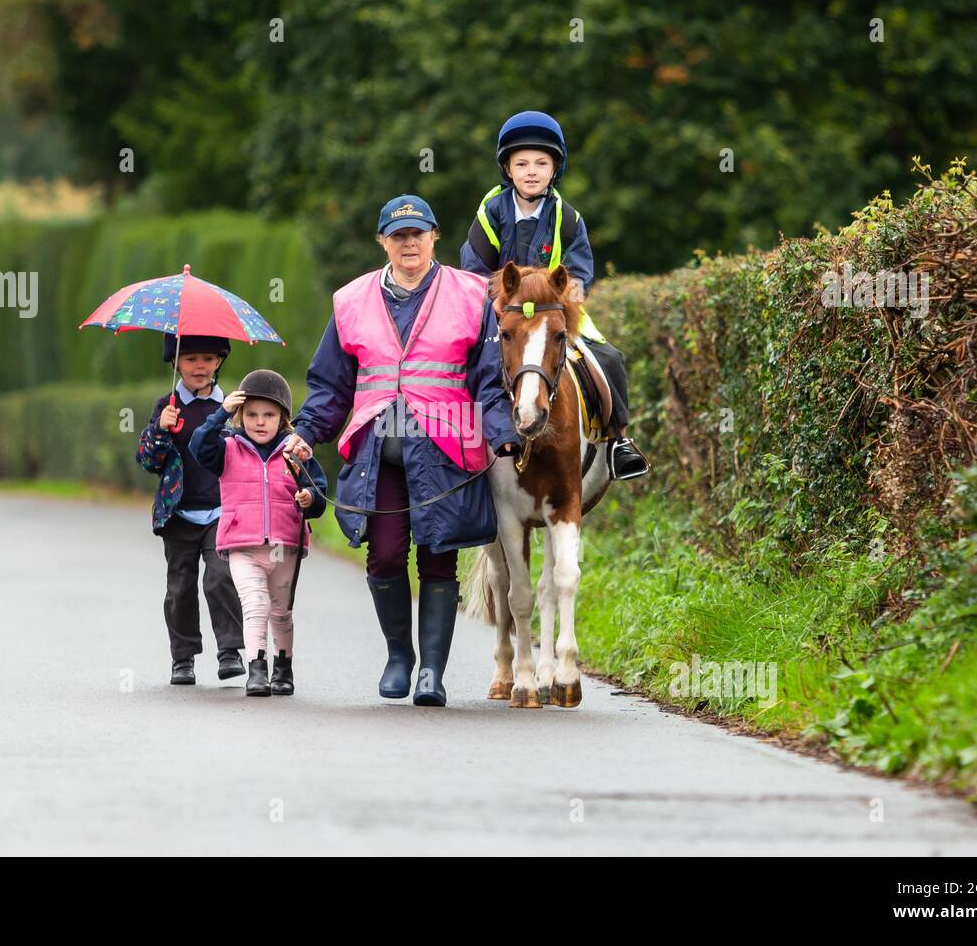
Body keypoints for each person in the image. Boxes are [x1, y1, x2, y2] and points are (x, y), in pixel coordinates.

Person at [281, 194, 523, 707]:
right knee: (386, 554)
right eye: (398, 236)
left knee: (439, 555)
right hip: (379, 454)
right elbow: (330, 384)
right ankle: (399, 657)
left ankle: (432, 673)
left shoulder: (470, 293)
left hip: (445, 451)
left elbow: (487, 379)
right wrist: (306, 430)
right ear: (383, 242)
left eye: (418, 234)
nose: (408, 243)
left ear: (434, 237)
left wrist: (502, 431)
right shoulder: (351, 300)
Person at [460, 110, 650, 480]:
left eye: (541, 163)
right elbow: (474, 270)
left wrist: (564, 299)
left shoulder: (568, 217)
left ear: (554, 168)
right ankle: (453, 447)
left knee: (609, 358)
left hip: (554, 311)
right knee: (462, 361)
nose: (532, 171)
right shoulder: (490, 213)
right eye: (522, 163)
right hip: (503, 312)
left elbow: (578, 273)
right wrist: (499, 304)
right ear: (508, 169)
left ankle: (617, 442)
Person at [190, 369, 327, 697]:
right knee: (255, 605)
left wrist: (310, 498)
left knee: (281, 612)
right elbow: (198, 446)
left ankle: (284, 667)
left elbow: (318, 493)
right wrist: (218, 413)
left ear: (283, 419)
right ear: (240, 415)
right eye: (251, 414)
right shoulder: (227, 449)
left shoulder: (294, 454)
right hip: (242, 545)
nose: (260, 421)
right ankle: (257, 669)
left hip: (285, 547)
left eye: (269, 414)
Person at [135, 334, 245, 686]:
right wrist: (160, 429)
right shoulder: (165, 407)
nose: (200, 367)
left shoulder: (229, 406)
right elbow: (148, 461)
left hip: (221, 511)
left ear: (219, 362)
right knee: (180, 586)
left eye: (209, 359)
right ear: (175, 363)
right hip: (179, 514)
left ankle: (229, 649)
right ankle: (182, 657)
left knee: (220, 576)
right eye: (191, 359)